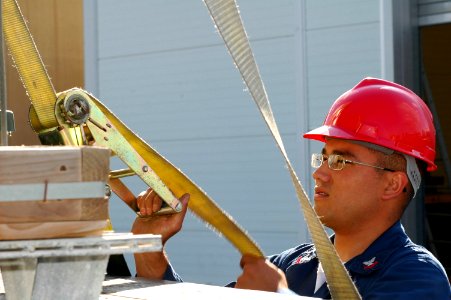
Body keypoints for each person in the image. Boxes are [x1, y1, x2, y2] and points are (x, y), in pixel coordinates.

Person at [131, 78, 451, 298]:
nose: (320, 174)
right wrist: (149, 252)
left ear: (392, 183)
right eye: (322, 158)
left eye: (341, 161)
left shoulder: (417, 278)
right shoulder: (292, 264)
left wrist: (279, 296)